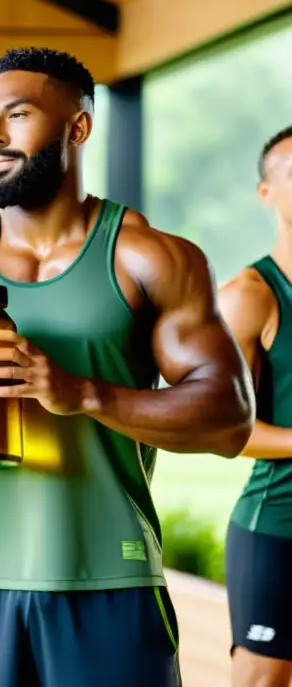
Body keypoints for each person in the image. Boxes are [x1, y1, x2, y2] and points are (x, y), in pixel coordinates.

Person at [0, 47, 254, 686]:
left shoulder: (151, 259)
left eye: (18, 115)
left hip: (110, 582)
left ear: (79, 127)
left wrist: (86, 394)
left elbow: (229, 418)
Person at [217, 126, 292, 687]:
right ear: (266, 193)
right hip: (278, 528)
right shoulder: (250, 294)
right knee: (262, 679)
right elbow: (229, 430)